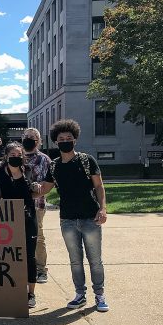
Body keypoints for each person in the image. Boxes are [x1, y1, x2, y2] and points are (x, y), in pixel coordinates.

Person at [40, 119, 109, 312]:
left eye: (68, 138)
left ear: (75, 140)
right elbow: (44, 188)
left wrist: (102, 209)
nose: (65, 141)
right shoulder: (53, 166)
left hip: (90, 218)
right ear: (56, 142)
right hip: (68, 220)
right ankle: (80, 294)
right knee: (75, 260)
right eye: (61, 139)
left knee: (95, 259)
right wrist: (24, 190)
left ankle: (100, 295)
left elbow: (99, 186)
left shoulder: (87, 160)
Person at [0, 140, 41, 308]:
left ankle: (31, 293)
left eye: (19, 155)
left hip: (28, 217)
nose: (16, 157)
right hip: (7, 219)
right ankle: (11, 289)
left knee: (29, 256)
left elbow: (33, 191)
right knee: (8, 254)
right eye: (12, 155)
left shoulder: (27, 171)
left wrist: (35, 186)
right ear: (6, 156)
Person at [22, 127, 52, 283]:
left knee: (38, 237)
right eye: (26, 136)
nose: (29, 138)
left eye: (33, 137)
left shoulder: (44, 159)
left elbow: (46, 184)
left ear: (39, 141)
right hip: (18, 205)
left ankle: (41, 270)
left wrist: (30, 194)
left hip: (36, 205)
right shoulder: (16, 156)